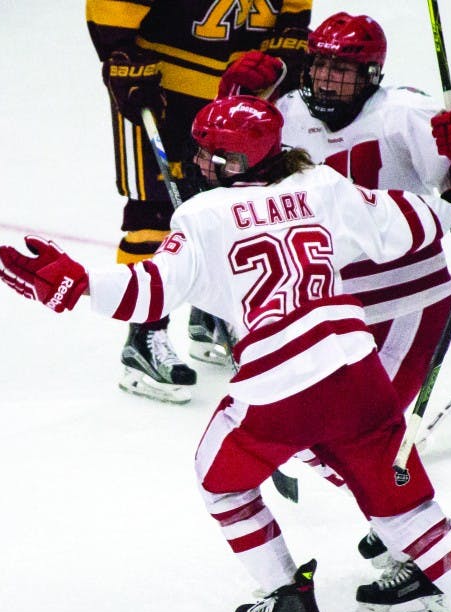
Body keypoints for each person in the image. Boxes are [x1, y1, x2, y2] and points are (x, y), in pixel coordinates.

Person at [0, 95, 451, 612]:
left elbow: (150, 290)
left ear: (249, 159)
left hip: (279, 385)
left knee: (219, 479)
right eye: (203, 153)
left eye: (219, 158)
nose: (205, 166)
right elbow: (405, 223)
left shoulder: (201, 216)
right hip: (357, 370)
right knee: (407, 509)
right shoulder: (323, 186)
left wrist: (78, 285)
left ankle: (286, 599)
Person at [217, 12, 451, 612]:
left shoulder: (408, 114)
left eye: (343, 69)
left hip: (408, 303)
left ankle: (419, 560)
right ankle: (403, 529)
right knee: (325, 440)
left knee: (366, 436)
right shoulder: (288, 114)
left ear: (371, 74)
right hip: (328, 311)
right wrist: (236, 104)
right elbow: (234, 174)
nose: (326, 78)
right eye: (319, 63)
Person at [85, 0, 312, 403]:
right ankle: (145, 337)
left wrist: (286, 44)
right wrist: (122, 52)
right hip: (159, 87)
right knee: (154, 213)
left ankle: (214, 315)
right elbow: (112, 8)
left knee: (234, 204)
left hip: (240, 91)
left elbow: (293, 8)